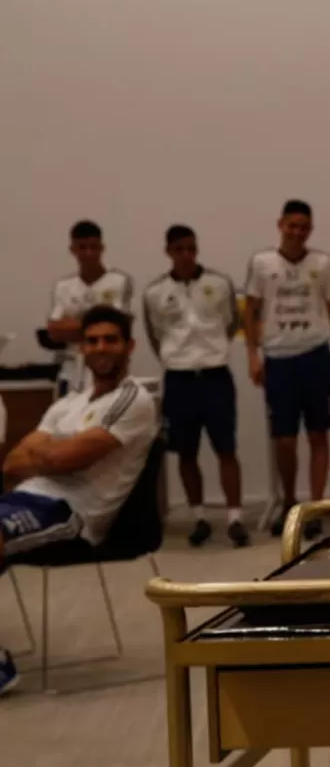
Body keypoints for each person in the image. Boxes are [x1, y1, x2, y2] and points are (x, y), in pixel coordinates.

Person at [1, 306, 159, 690]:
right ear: (82, 349)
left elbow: (64, 457)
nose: (101, 347)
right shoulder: (69, 402)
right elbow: (12, 463)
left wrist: (52, 451)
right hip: (26, 497)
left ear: (129, 346)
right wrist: (54, 455)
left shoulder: (133, 400)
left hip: (71, 514)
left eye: (110, 339)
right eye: (92, 341)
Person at [244, 199, 330, 537]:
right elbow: (251, 311)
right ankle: (290, 503)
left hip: (315, 355)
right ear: (280, 225)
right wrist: (252, 356)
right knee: (284, 439)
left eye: (303, 227)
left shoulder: (324, 263)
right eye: (292, 226)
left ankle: (315, 507)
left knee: (319, 434)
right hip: (278, 358)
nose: (297, 232)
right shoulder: (261, 264)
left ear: (310, 230)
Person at [142, 225, 246, 547]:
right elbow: (155, 335)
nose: (187, 255)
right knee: (186, 453)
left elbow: (232, 325)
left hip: (215, 376)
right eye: (180, 249)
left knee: (226, 449)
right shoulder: (154, 292)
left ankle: (235, 518)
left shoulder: (219, 283)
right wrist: (180, 359)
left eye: (191, 248)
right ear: (168, 251)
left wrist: (209, 352)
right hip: (179, 379)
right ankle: (199, 517)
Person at [47, 220, 134, 396]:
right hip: (73, 367)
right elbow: (54, 331)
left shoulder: (119, 281)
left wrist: (73, 325)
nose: (88, 253)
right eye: (82, 247)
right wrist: (98, 322)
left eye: (93, 247)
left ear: (102, 248)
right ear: (73, 250)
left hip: (108, 366)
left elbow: (120, 326)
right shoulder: (64, 286)